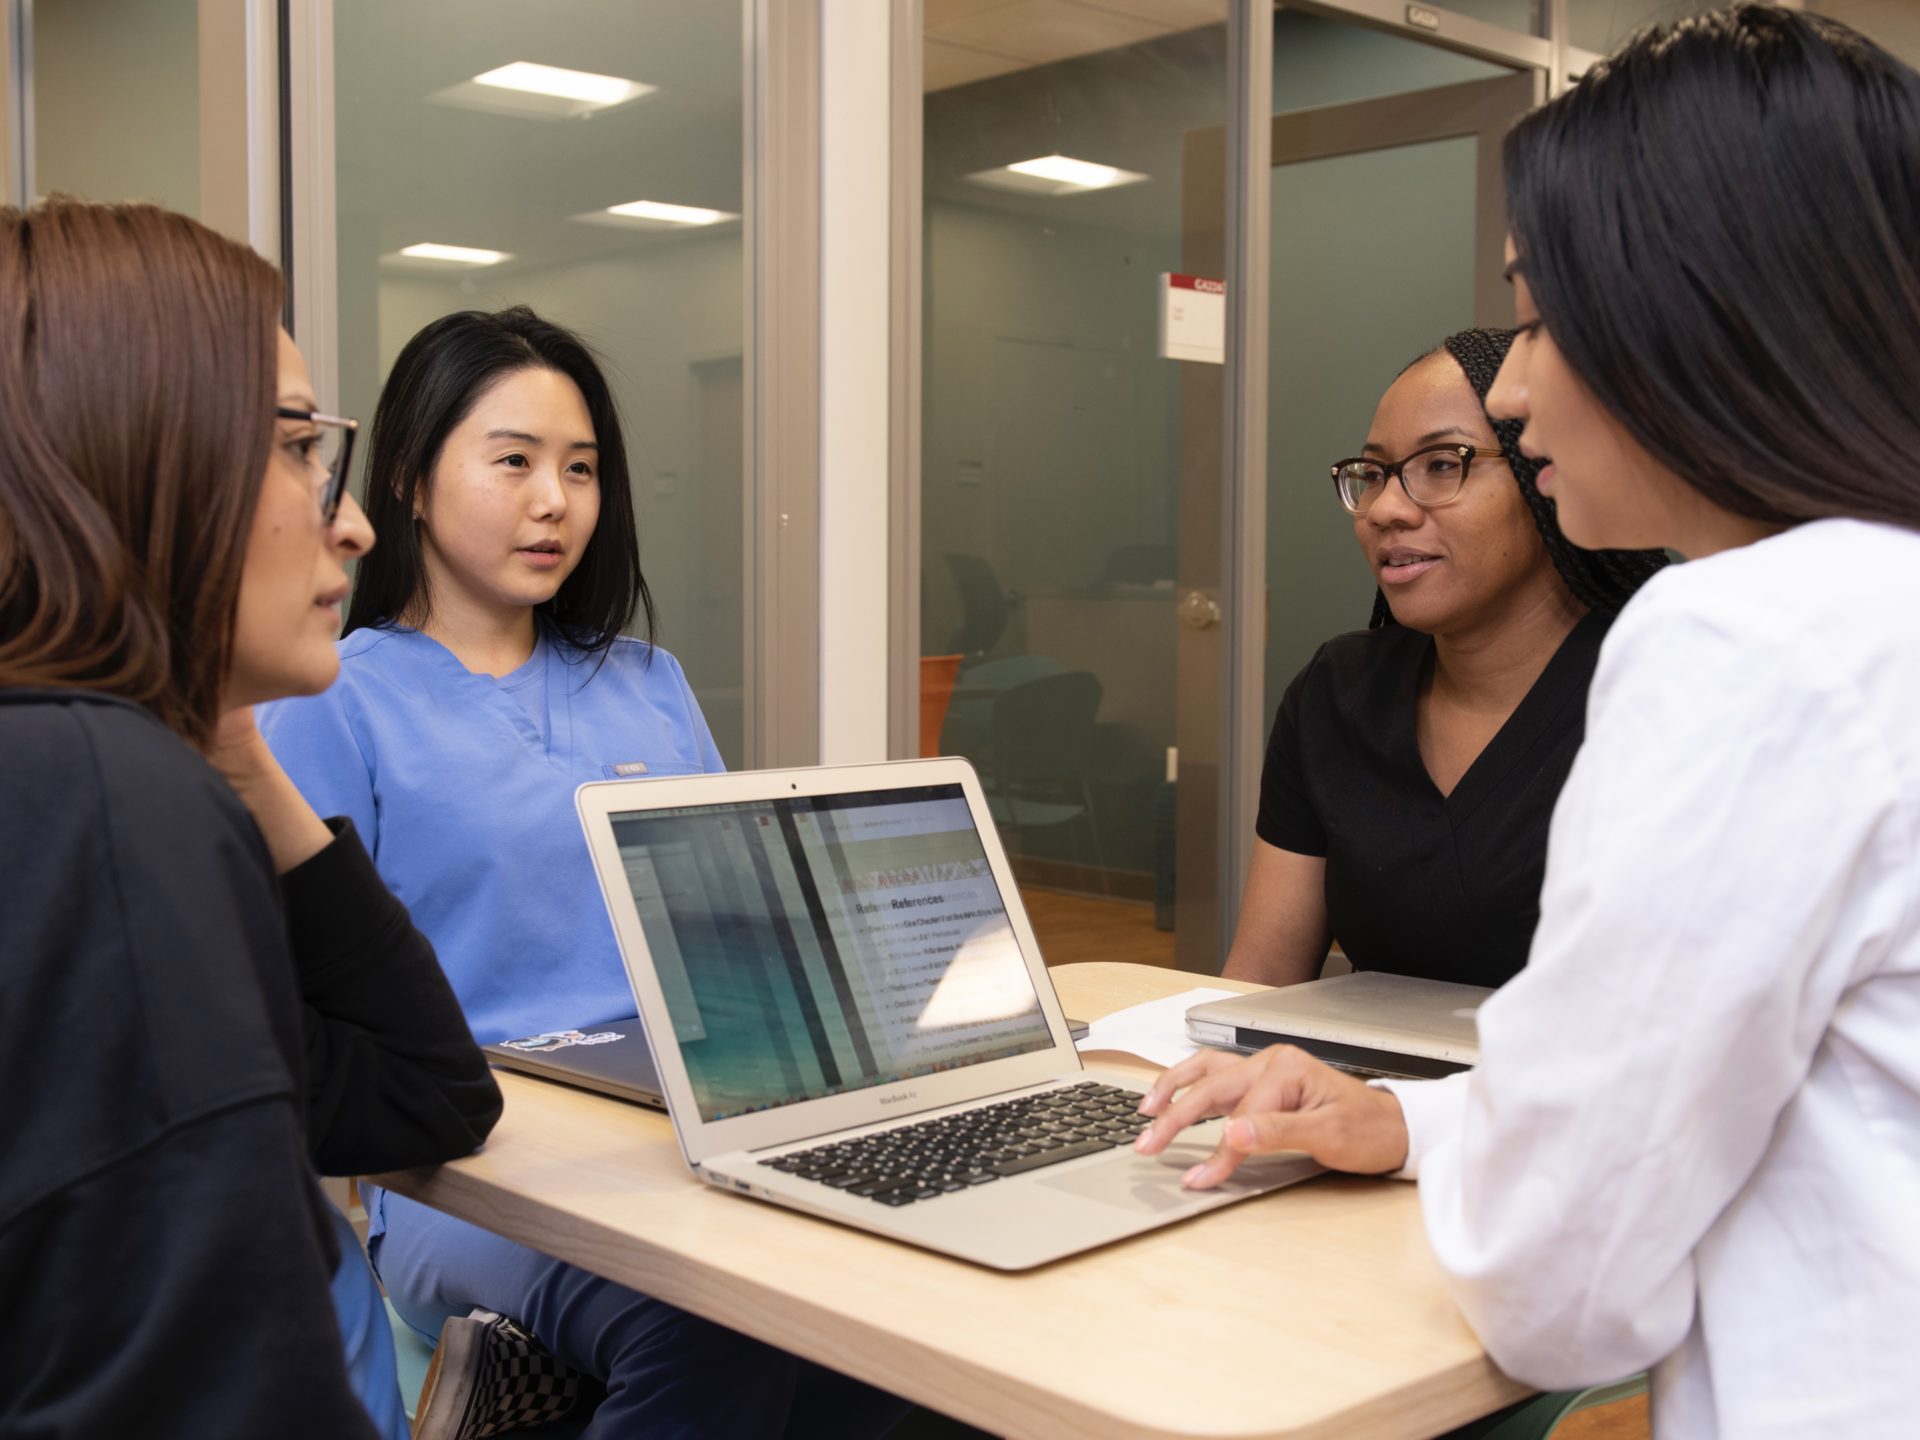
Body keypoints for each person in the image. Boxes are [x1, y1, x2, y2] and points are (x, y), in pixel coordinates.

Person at [1137, 8, 1920, 1436]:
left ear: (1695, 309)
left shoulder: (1742, 639)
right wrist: (1412, 1119)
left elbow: (1563, 1282)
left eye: (1544, 316)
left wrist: (1498, 1167)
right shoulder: (1880, 615)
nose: (1511, 385)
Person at [259, 307, 907, 1438]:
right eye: (512, 461)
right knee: (712, 1322)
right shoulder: (335, 699)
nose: (555, 500)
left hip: (685, 1128)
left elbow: (735, 940)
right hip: (465, 1173)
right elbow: (316, 1010)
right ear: (408, 475)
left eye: (581, 468)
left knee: (888, 1306)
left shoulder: (647, 679)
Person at [0, 199, 500, 1437]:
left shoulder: (68, 779)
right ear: (130, 454)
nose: (351, 521)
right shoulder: (101, 810)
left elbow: (421, 1094)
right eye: (293, 446)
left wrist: (227, 744)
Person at [1224, 327, 1665, 988]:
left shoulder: (1658, 691)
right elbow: (1259, 981)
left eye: (1442, 464)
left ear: (1541, 475)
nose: (1386, 510)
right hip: (1352, 1089)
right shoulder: (1337, 694)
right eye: (1372, 475)